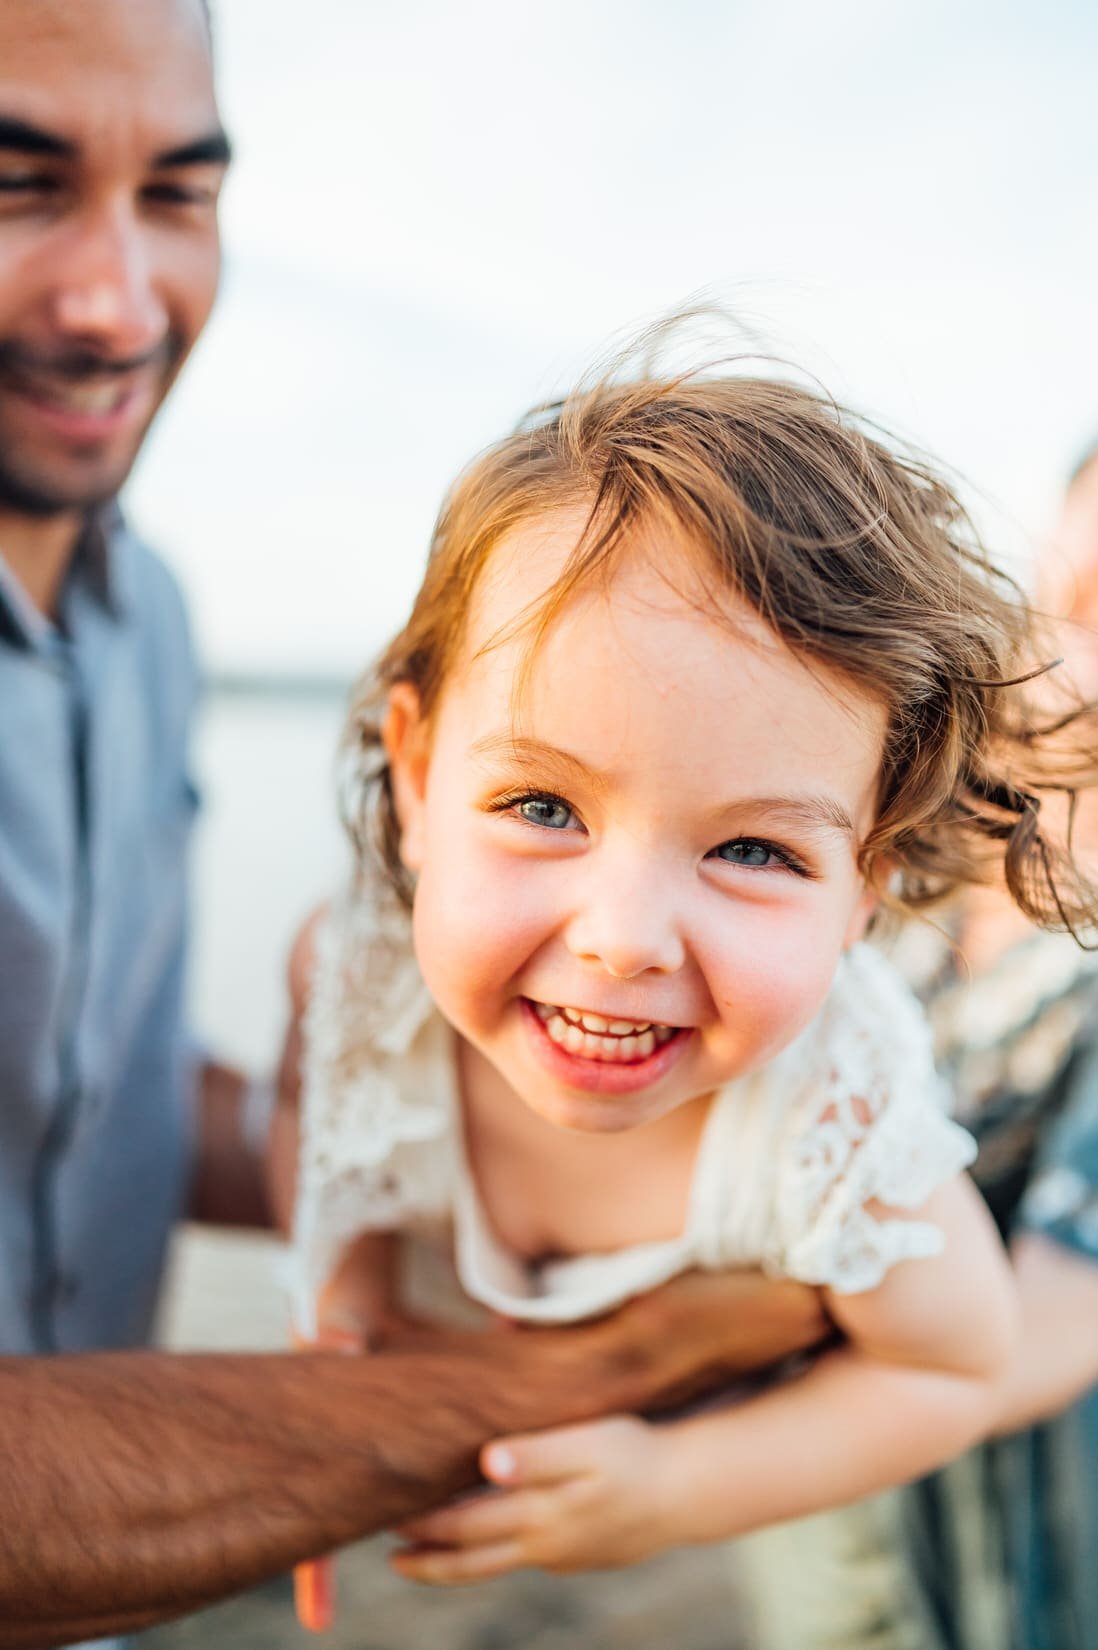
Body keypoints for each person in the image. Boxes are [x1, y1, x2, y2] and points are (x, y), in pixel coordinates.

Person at [0, 5, 829, 1644]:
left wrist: (554, 1135)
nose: (114, 303)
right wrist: (606, 1364)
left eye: (177, 194)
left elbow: (85, 1099)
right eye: (16, 188)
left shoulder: (151, 614)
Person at [274, 346, 1098, 1596]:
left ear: (862, 886)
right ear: (418, 777)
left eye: (754, 848)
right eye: (544, 804)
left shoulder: (836, 1122)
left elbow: (957, 1363)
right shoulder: (352, 971)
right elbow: (308, 1107)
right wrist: (343, 1296)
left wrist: (673, 1491)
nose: (626, 938)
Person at [730, 444, 1098, 1650]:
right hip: (822, 1544)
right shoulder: (909, 849)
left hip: (1024, 1579)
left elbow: (1047, 1331)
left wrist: (655, 1457)